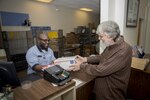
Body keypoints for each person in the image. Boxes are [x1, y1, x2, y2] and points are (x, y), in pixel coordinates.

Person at [69, 21, 132, 100]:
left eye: (101, 36)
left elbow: (101, 70)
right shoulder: (112, 44)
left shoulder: (123, 50)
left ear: (110, 36)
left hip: (111, 94)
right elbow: (102, 57)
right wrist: (86, 59)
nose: (99, 39)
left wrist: (81, 66)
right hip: (103, 91)